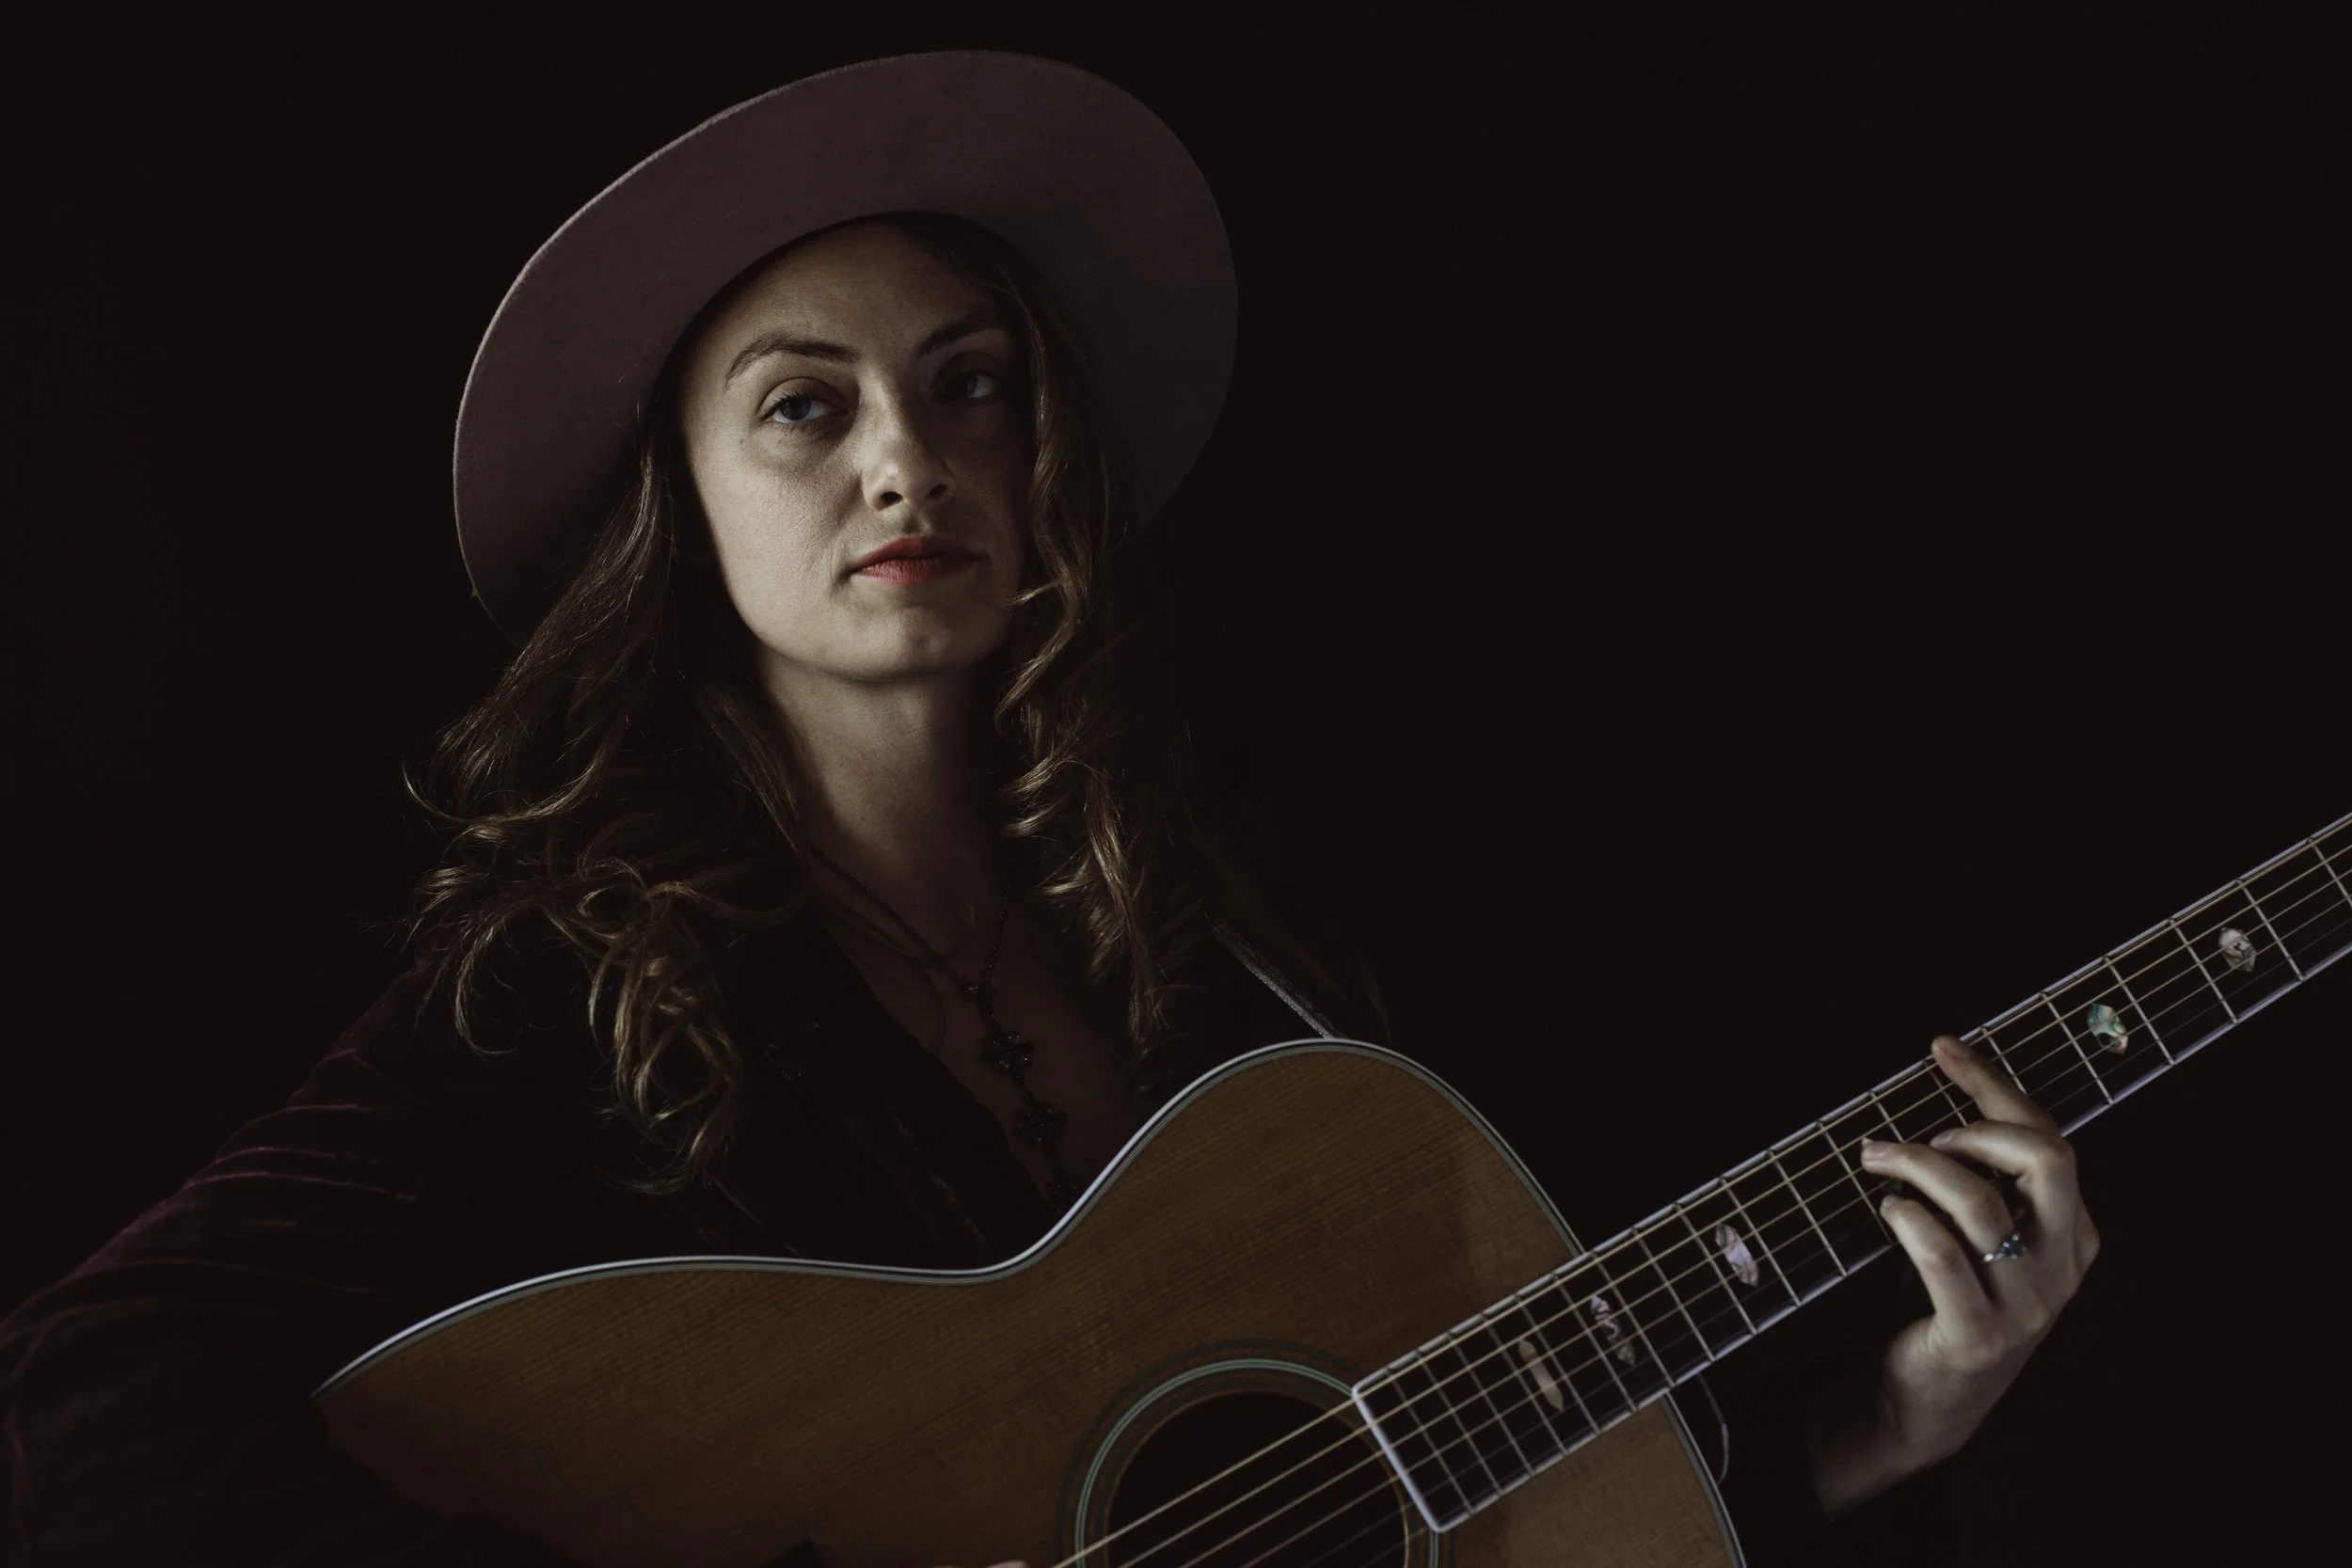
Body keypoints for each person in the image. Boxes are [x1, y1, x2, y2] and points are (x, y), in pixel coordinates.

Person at [0, 52, 2095, 1567]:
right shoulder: (577, 988)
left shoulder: (1230, 970)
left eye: (971, 381)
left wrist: (1887, 1421)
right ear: (688, 516)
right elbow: (81, 1401)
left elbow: (1473, 1493)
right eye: (807, 406)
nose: (907, 459)